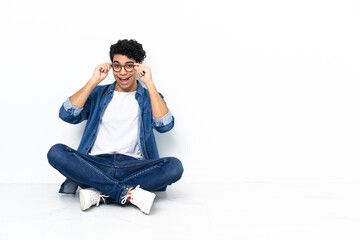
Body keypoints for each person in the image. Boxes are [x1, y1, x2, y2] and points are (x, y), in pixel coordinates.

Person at [47, 39, 184, 214]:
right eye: (117, 66)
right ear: (111, 66)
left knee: (174, 166)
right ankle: (125, 192)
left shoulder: (151, 97)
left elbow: (165, 126)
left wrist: (149, 84)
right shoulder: (98, 93)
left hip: (133, 166)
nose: (122, 72)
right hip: (95, 165)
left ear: (139, 66)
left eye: (129, 66)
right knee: (56, 152)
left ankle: (101, 194)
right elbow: (66, 114)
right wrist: (93, 81)